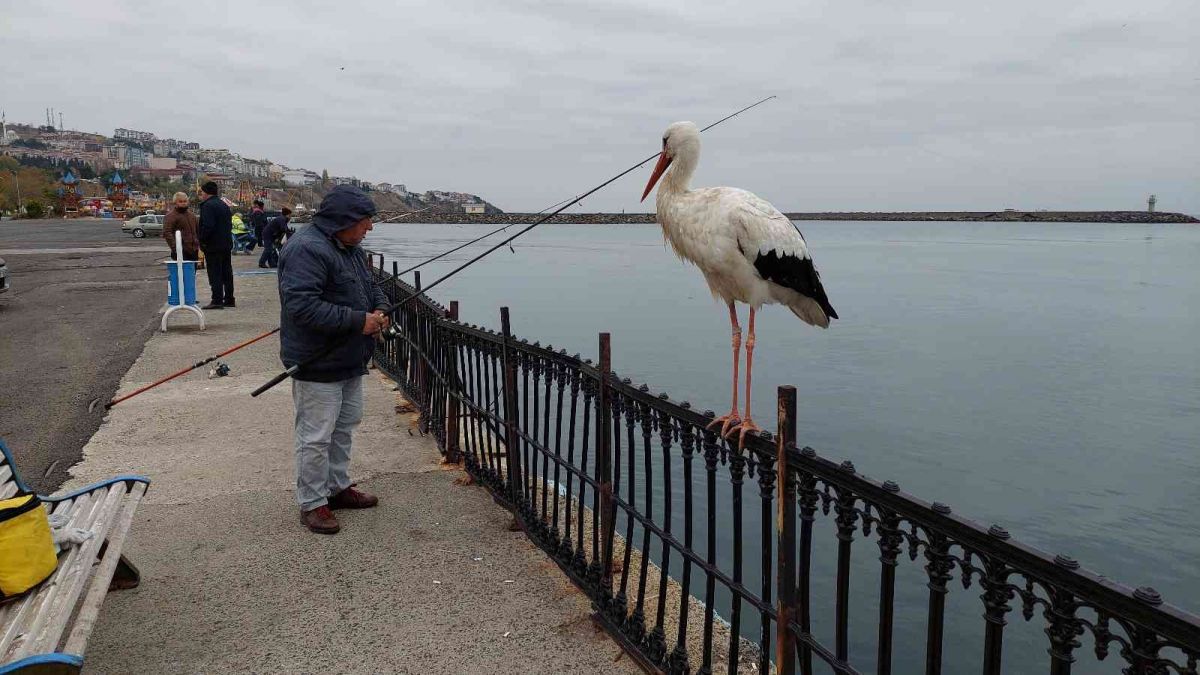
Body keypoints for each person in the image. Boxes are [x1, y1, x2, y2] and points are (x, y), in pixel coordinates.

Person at [278, 185, 388, 534]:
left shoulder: (350, 247)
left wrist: (381, 310)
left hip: (349, 358)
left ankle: (337, 488)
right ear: (345, 219)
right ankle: (312, 503)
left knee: (344, 429)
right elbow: (301, 306)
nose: (369, 227)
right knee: (316, 436)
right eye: (365, 221)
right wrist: (359, 321)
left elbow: (372, 287)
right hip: (317, 363)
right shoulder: (306, 249)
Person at [197, 181, 235, 309]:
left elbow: (208, 226)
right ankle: (229, 299)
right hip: (226, 244)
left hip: (213, 246)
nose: (201, 195)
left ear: (206, 193)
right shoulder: (223, 205)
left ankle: (217, 300)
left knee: (215, 273)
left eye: (201, 192)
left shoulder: (207, 206)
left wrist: (201, 239)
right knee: (226, 273)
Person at [162, 192, 199, 261]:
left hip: (194, 250)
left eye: (185, 201)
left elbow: (197, 231)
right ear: (175, 202)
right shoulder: (170, 216)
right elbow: (167, 233)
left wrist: (198, 244)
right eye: (180, 201)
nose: (183, 203)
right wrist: (176, 248)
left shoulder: (192, 216)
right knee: (181, 271)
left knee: (192, 271)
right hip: (180, 251)